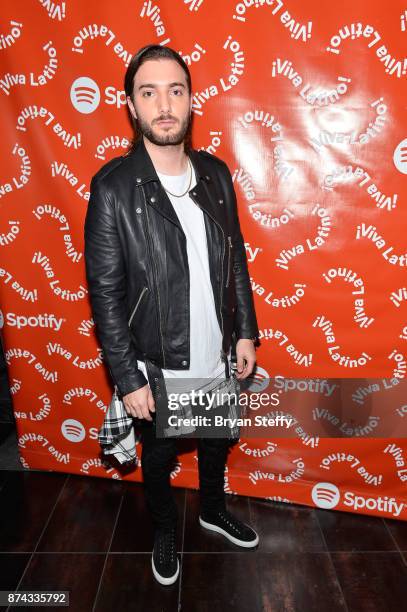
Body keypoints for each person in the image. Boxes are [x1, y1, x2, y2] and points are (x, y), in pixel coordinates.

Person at [84, 44, 260, 586]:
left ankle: (210, 508)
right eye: (149, 91)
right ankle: (163, 527)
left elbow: (236, 257)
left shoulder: (216, 174)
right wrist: (127, 375)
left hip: (216, 349)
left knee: (214, 440)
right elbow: (105, 293)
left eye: (175, 90)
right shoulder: (113, 187)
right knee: (157, 456)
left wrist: (246, 331)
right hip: (157, 359)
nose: (164, 104)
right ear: (132, 107)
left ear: (191, 101)